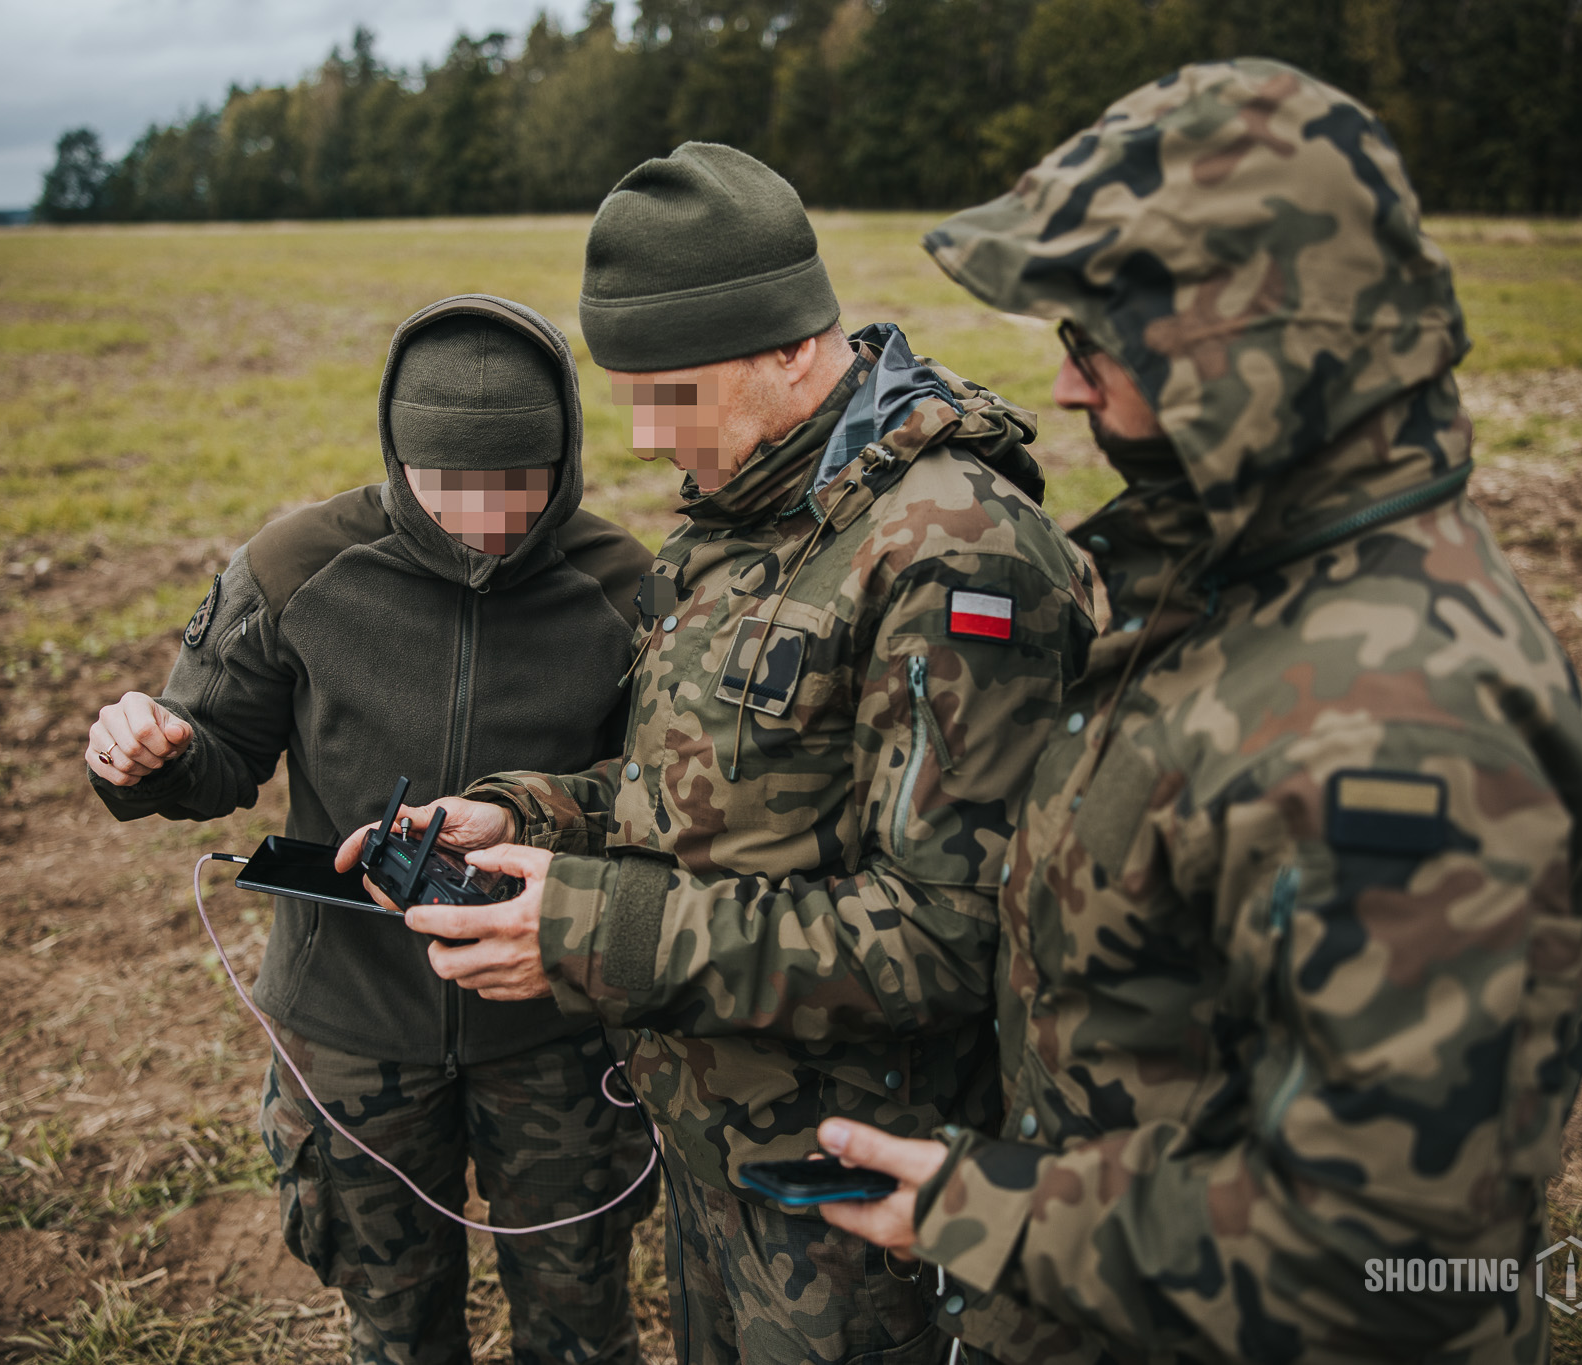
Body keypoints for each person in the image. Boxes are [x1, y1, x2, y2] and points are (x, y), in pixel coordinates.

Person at [804, 59, 1582, 1364]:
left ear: (1249, 358)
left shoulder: (1397, 724)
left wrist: (988, 1211)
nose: (1067, 391)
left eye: (1093, 343)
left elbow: (1385, 1258)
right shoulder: (1237, 571)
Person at [337, 144, 1098, 1365]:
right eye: (625, 392)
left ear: (790, 347)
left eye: (668, 392)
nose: (642, 438)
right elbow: (691, 793)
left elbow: (956, 932)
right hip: (711, 1150)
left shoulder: (952, 554)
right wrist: (518, 820)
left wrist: (588, 933)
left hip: (856, 1191)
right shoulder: (738, 523)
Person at [84, 294, 655, 1365]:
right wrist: (148, 752)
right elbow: (213, 754)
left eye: (518, 484)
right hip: (349, 1030)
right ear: (398, 460)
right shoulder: (298, 567)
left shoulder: (623, 589)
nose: (486, 517)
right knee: (394, 1328)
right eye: (449, 487)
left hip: (555, 1022)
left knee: (581, 1326)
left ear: (566, 454)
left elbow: (663, 791)